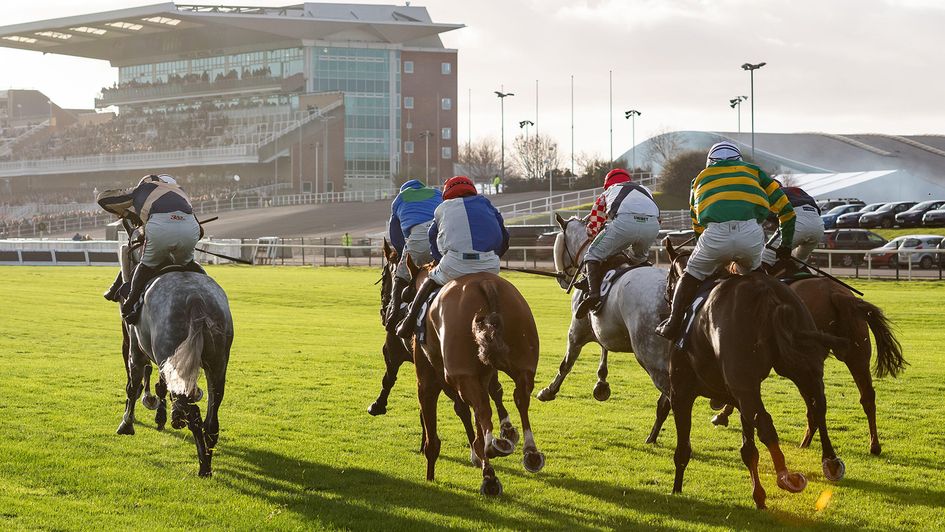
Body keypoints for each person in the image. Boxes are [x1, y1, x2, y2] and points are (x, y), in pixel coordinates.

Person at [655, 142, 796, 341]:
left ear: (710, 162)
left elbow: (697, 224)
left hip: (715, 235)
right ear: (739, 160)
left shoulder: (699, 179)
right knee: (759, 276)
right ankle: (784, 323)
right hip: (751, 233)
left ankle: (673, 322)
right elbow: (787, 211)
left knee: (690, 275)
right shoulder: (755, 172)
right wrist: (786, 245)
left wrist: (705, 251)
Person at [395, 176, 509, 339]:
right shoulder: (485, 203)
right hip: (489, 265)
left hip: (455, 266)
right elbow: (504, 237)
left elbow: (432, 237)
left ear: (448, 192)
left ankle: (408, 322)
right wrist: (494, 257)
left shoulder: (442, 208)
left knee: (430, 280)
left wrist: (439, 260)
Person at [98, 173, 204, 324]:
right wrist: (180, 240)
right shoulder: (180, 191)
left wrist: (129, 213)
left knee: (145, 266)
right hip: (189, 230)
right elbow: (200, 232)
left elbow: (102, 199)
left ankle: (130, 305)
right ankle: (207, 282)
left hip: (159, 231)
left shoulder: (142, 189)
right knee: (189, 264)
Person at [575, 168, 661, 318]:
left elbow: (593, 227)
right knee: (637, 260)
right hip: (652, 225)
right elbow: (657, 216)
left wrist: (596, 237)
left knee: (592, 255)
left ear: (607, 184)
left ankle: (593, 295)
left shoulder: (608, 192)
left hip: (625, 224)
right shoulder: (645, 189)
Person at [385, 179, 443, 331]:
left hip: (419, 238)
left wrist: (402, 254)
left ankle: (393, 314)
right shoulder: (437, 193)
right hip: (441, 236)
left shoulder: (400, 198)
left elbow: (395, 234)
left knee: (400, 276)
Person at [761, 182, 824, 269]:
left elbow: (769, 215)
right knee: (798, 262)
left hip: (796, 222)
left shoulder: (773, 193)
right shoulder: (798, 191)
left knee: (764, 259)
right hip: (818, 226)